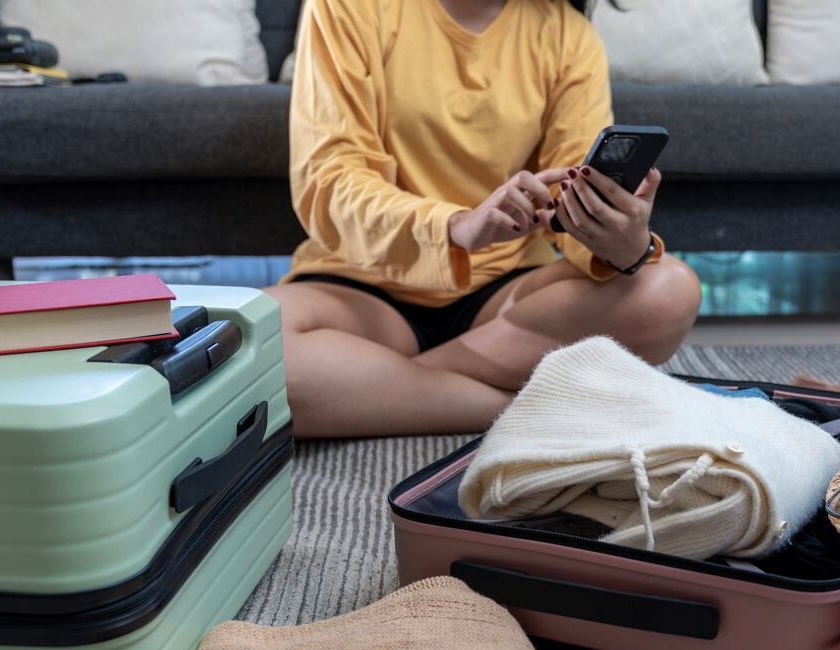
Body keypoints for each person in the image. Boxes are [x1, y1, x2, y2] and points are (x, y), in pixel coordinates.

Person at [266, 0, 702, 438]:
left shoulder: (567, 33)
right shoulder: (346, 7)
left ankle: (372, 392)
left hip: (505, 301)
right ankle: (519, 406)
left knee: (668, 290)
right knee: (240, 352)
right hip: (359, 285)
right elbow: (329, 179)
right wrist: (454, 227)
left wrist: (624, 245)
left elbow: (569, 188)